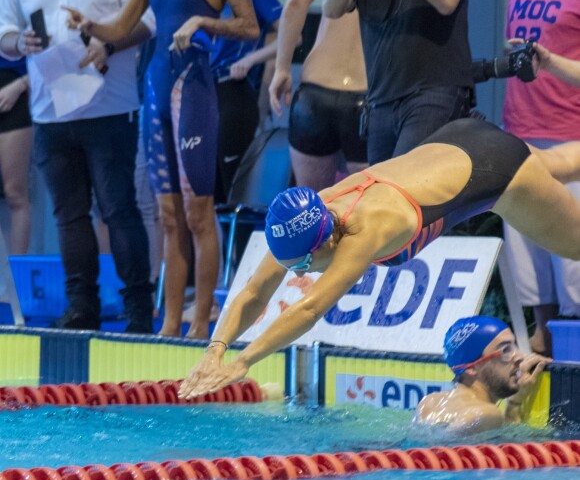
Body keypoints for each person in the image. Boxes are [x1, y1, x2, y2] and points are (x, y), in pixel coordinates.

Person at [179, 117, 580, 399]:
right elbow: (252, 292)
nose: (296, 273)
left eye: (299, 266)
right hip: (459, 140)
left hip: (496, 171)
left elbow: (310, 307)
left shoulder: (366, 229)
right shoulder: (307, 215)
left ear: (323, 245)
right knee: (559, 165)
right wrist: (215, 350)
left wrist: (244, 361)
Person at [65, 0, 259, 338]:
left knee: (198, 215)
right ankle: (170, 324)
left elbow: (250, 26)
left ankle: (202, 325)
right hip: (155, 90)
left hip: (194, 92)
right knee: (169, 218)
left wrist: (203, 20)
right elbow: (121, 28)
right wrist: (91, 26)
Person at [0, 0, 155, 332]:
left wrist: (110, 44)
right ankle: (81, 307)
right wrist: (21, 43)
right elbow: (4, 32)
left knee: (118, 210)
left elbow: (148, 22)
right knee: (68, 216)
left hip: (110, 107)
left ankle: (138, 308)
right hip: (49, 111)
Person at [322, 0, 473, 165]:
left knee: (404, 184)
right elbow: (331, 6)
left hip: (434, 92)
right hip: (381, 100)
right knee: (381, 193)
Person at [502, 0, 580, 357]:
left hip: (571, 140)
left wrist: (550, 63)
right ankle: (542, 341)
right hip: (520, 133)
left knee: (574, 269)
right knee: (529, 263)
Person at [269, 0, 368, 192]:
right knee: (368, 209)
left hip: (314, 97)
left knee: (313, 211)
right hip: (365, 97)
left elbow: (296, 2)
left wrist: (282, 68)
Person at [211, 0, 282, 203]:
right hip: (202, 93)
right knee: (209, 192)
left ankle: (240, 243)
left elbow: (293, 35)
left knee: (234, 187)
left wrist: (251, 59)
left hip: (234, 91)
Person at [413, 316, 548, 434]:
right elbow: (509, 453)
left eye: (514, 346)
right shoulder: (485, 414)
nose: (519, 357)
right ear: (471, 368)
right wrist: (515, 405)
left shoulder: (429, 403)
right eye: (505, 350)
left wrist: (514, 401)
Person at [0, 0, 32, 255]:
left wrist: (19, 86)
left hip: (15, 93)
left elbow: (52, 56)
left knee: (14, 193)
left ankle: (17, 280)